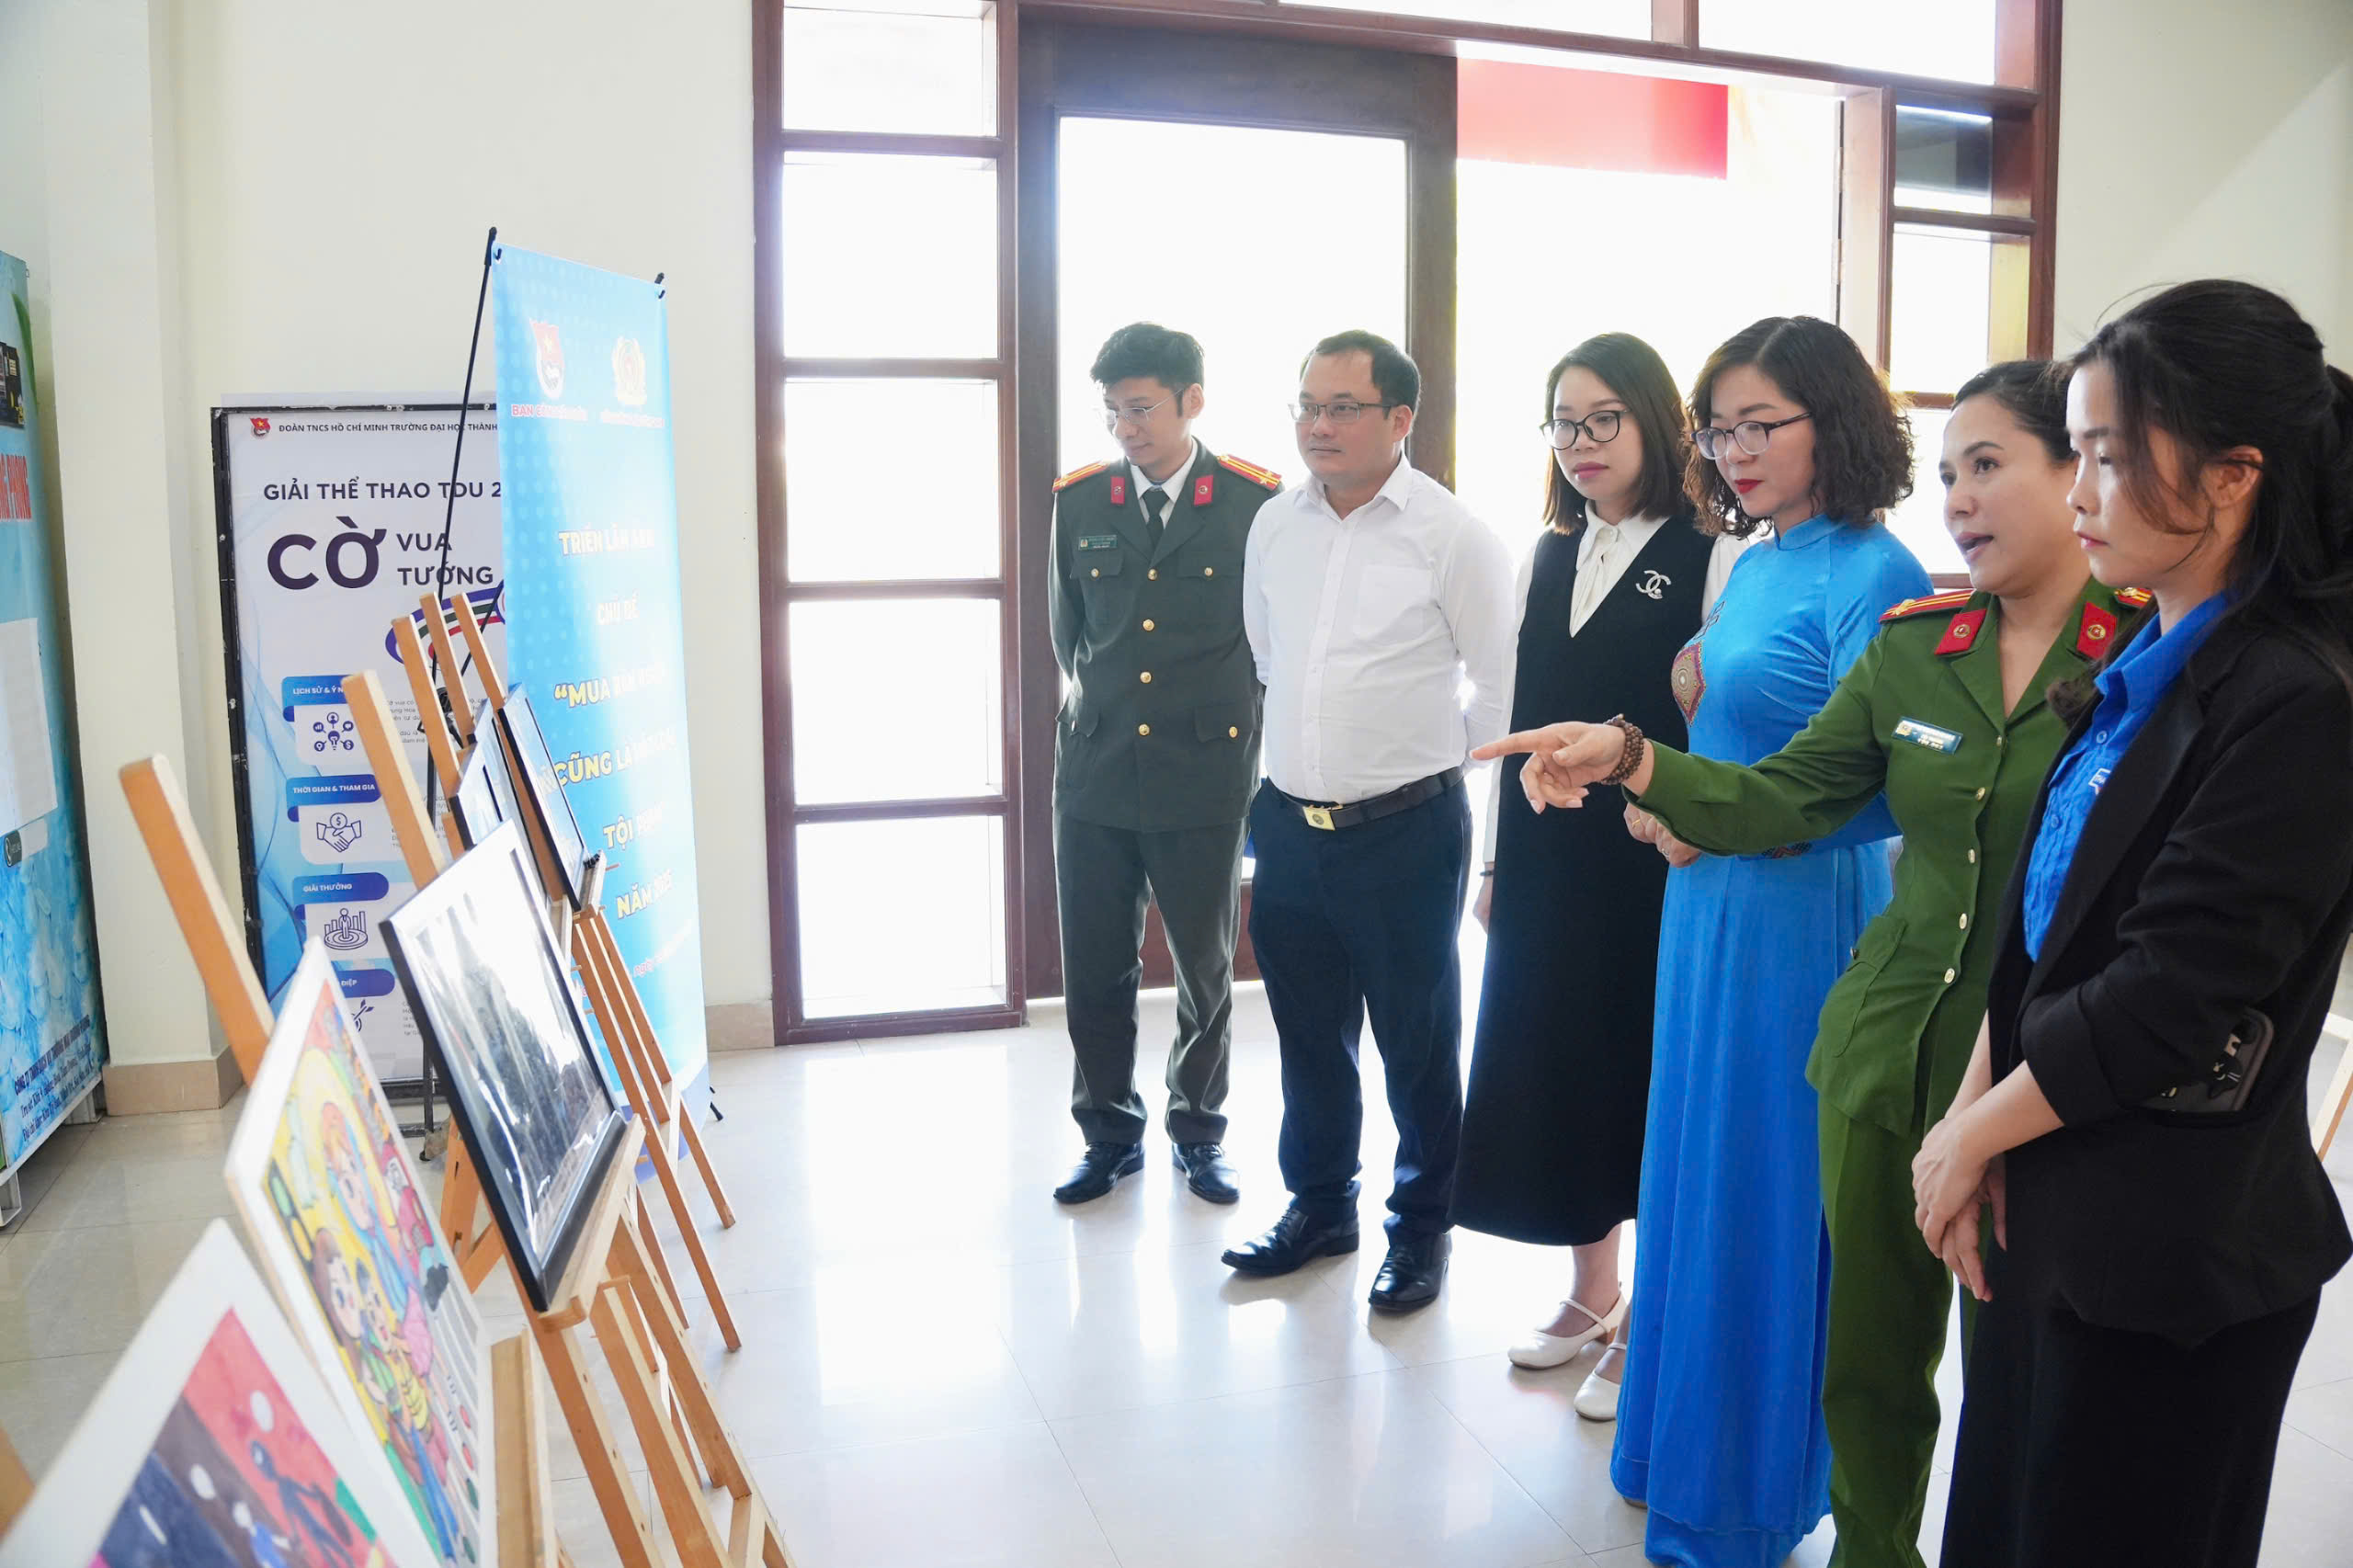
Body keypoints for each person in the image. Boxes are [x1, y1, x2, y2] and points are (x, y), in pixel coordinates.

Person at [1484, 359, 2149, 1566]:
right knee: (1869, 1368)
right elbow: (1793, 783)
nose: (1959, 499)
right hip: (1882, 1041)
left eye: (1989, 465)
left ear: (2080, 469)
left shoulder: (2145, 660)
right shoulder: (1921, 646)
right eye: (1950, 472)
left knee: (2022, 1389)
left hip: (2033, 1067)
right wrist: (1631, 758)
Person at [1911, 280, 2353, 1568]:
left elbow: (2168, 994)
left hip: (2166, 1261)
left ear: (2230, 478)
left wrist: (1967, 1137)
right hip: (2049, 1207)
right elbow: (2042, 935)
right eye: (2079, 452)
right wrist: (1975, 1124)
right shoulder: (2143, 663)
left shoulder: (2297, 700)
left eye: (2108, 456)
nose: (2080, 492)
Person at [1485, 314, 1927, 1566]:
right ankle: (1680, 1455)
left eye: (1759, 426)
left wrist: (1705, 813)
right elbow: (1723, 740)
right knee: (1689, 1175)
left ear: (1834, 420)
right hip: (1707, 909)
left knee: (1759, 1195)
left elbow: (1887, 786)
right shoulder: (1766, 556)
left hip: (1799, 918)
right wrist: (1659, 797)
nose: (1732, 451)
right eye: (1718, 429)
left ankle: (1746, 1494)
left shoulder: (1876, 574)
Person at [1451, 333, 1747, 1418]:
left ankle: (1649, 1319)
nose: (1580, 442)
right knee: (1559, 1064)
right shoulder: (1548, 553)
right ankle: (1592, 1291)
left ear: (1659, 422)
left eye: (1603, 418)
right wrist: (1496, 858)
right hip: (1545, 850)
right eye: (1564, 423)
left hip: (1650, 855)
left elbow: (1724, 725)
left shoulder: (1715, 554)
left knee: (1644, 1070)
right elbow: (1516, 715)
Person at [1221, 329, 1514, 1312]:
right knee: (1306, 1033)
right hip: (1288, 825)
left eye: (1342, 407)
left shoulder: (1452, 535)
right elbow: (1269, 658)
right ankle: (1319, 1206)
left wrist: (1421, 770)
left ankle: (1422, 1227)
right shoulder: (1275, 523)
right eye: (1307, 405)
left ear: (1399, 418)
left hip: (1406, 830)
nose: (1318, 425)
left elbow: (1498, 693)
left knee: (1417, 1042)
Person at [1047, 322, 1282, 1206]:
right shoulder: (1080, 502)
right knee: (1094, 967)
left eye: (1141, 408)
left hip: (1204, 772)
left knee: (1205, 968)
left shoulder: (1254, 504)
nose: (1126, 428)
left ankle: (1198, 1129)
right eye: (1112, 411)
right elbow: (1069, 636)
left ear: (1193, 401)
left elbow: (1270, 642)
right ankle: (1108, 1133)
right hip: (1097, 770)